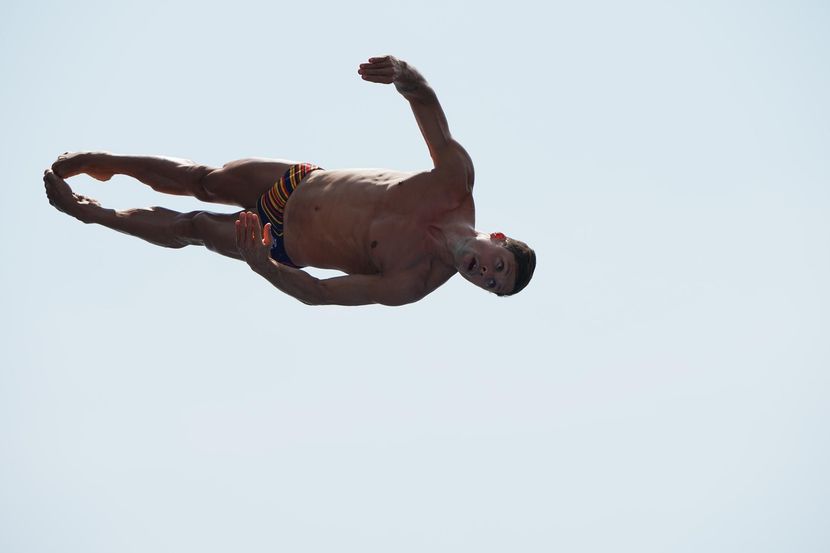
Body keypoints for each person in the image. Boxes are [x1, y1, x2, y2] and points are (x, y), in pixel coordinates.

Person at [44, 55, 535, 306]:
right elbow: (425, 103)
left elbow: (318, 294)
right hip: (299, 184)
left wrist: (263, 266)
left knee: (194, 227)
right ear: (496, 238)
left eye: (492, 285)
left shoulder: (414, 281)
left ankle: (91, 212)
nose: (485, 274)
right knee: (204, 180)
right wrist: (402, 72)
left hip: (277, 242)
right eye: (498, 266)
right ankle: (105, 161)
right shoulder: (454, 184)